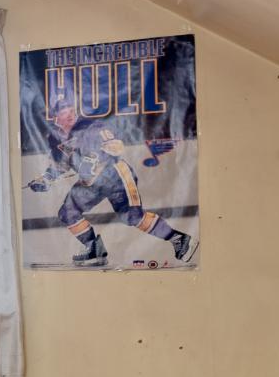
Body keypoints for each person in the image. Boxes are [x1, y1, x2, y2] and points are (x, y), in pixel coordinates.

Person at [28, 101, 195, 267]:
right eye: (65, 112)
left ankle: (179, 239)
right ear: (56, 117)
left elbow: (117, 146)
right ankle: (94, 249)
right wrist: (45, 180)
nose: (71, 114)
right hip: (90, 182)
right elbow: (60, 165)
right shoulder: (54, 138)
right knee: (68, 212)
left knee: (132, 217)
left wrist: (93, 158)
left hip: (114, 174)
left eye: (72, 110)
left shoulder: (92, 126)